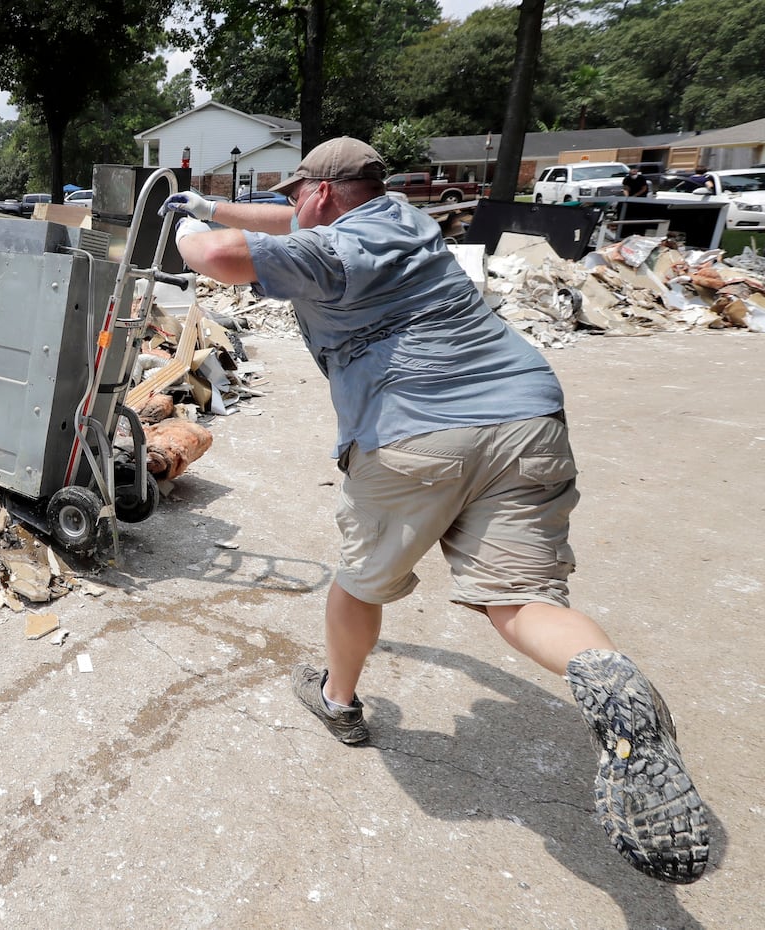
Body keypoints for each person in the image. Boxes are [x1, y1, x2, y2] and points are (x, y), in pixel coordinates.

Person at [160, 137, 709, 885]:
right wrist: (203, 200)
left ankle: (339, 699)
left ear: (321, 196)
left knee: (360, 579)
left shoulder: (331, 247)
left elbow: (224, 255)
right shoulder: (402, 218)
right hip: (526, 413)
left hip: (414, 431)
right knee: (521, 601)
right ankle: (608, 675)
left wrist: (183, 230)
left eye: (296, 196)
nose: (288, 209)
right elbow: (279, 221)